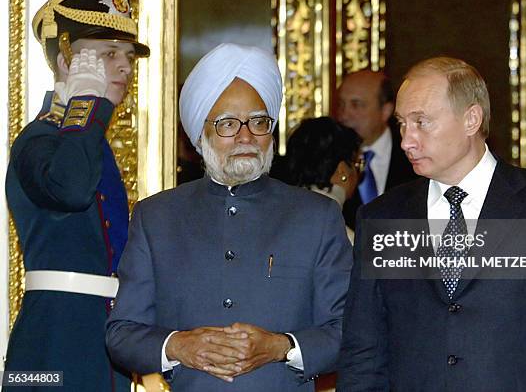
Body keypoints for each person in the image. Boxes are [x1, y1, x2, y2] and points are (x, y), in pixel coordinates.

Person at [336, 57, 526, 391]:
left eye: (422, 122)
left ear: (471, 119)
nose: (408, 140)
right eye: (402, 124)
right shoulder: (381, 217)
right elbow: (362, 351)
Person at [105, 43, 353, 391]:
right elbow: (122, 333)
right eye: (227, 124)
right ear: (200, 134)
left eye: (258, 122)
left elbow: (348, 330)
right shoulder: (156, 217)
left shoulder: (316, 216)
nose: (246, 136)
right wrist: (178, 346)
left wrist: (281, 347)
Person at [3, 0, 149, 391]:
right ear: (66, 59)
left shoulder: (88, 142)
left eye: (128, 55)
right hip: (53, 346)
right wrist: (85, 104)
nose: (124, 65)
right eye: (107, 53)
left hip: (100, 339)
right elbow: (70, 188)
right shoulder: (40, 139)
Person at [336, 70, 418, 229]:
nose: (344, 115)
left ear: (386, 110)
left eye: (356, 105)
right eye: (341, 104)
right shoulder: (330, 157)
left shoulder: (414, 153)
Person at [285, 117, 362, 243]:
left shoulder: (276, 219)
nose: (359, 174)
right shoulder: (346, 241)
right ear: (342, 171)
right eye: (359, 165)